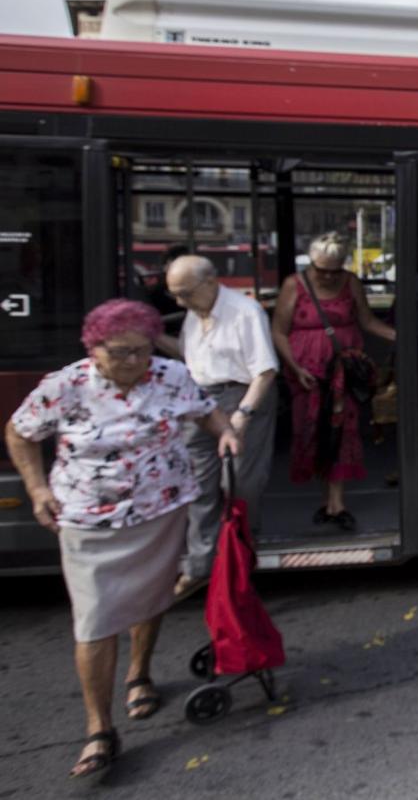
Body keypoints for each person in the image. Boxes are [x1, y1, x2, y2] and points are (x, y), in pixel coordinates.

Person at [4, 299, 239, 780]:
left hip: (160, 509)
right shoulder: (66, 385)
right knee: (95, 620)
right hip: (88, 516)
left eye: (142, 351)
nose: (134, 361)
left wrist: (227, 433)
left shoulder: (170, 375)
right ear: (94, 347)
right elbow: (20, 432)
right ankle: (99, 729)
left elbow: (207, 411)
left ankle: (140, 674)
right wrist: (36, 488)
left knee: (151, 598)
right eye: (121, 352)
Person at [160, 255, 279, 598]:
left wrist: (243, 415)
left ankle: (240, 554)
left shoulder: (245, 312)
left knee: (239, 482)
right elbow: (187, 354)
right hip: (200, 398)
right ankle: (200, 565)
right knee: (199, 483)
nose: (180, 302)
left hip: (241, 395)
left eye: (185, 293)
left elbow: (265, 371)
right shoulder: (195, 313)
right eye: (175, 296)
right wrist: (152, 337)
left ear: (210, 282)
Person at [271, 232, 395, 529]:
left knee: (343, 431)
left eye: (333, 270)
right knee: (313, 432)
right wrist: (295, 367)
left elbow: (366, 320)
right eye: (320, 270)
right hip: (306, 374)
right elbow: (278, 330)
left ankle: (336, 503)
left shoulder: (350, 282)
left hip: (344, 370)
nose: (327, 276)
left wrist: (399, 337)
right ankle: (326, 497)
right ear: (311, 264)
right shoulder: (294, 284)